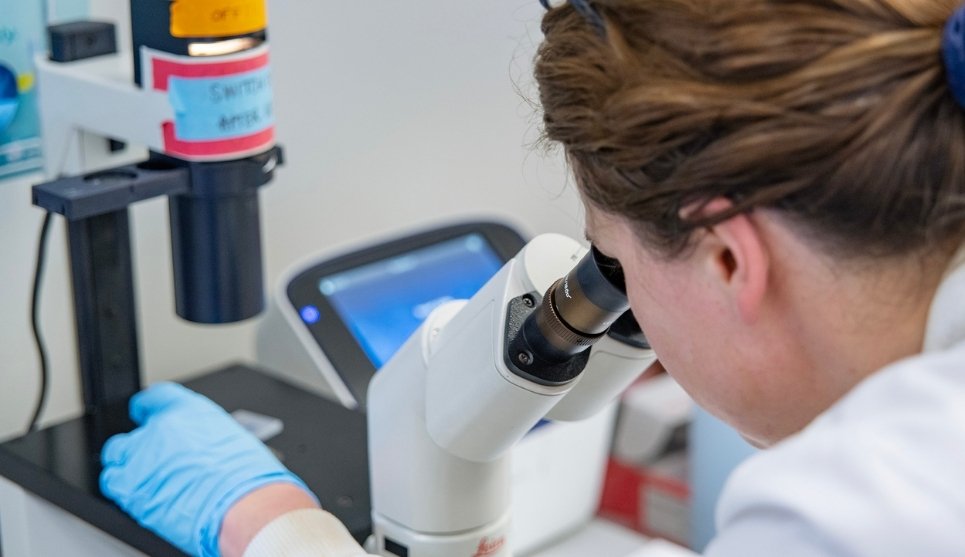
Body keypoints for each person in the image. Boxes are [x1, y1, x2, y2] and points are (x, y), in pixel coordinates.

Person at [99, 0, 965, 555]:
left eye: (615, 271)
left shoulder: (859, 510)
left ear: (730, 256)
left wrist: (277, 533)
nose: (616, 306)